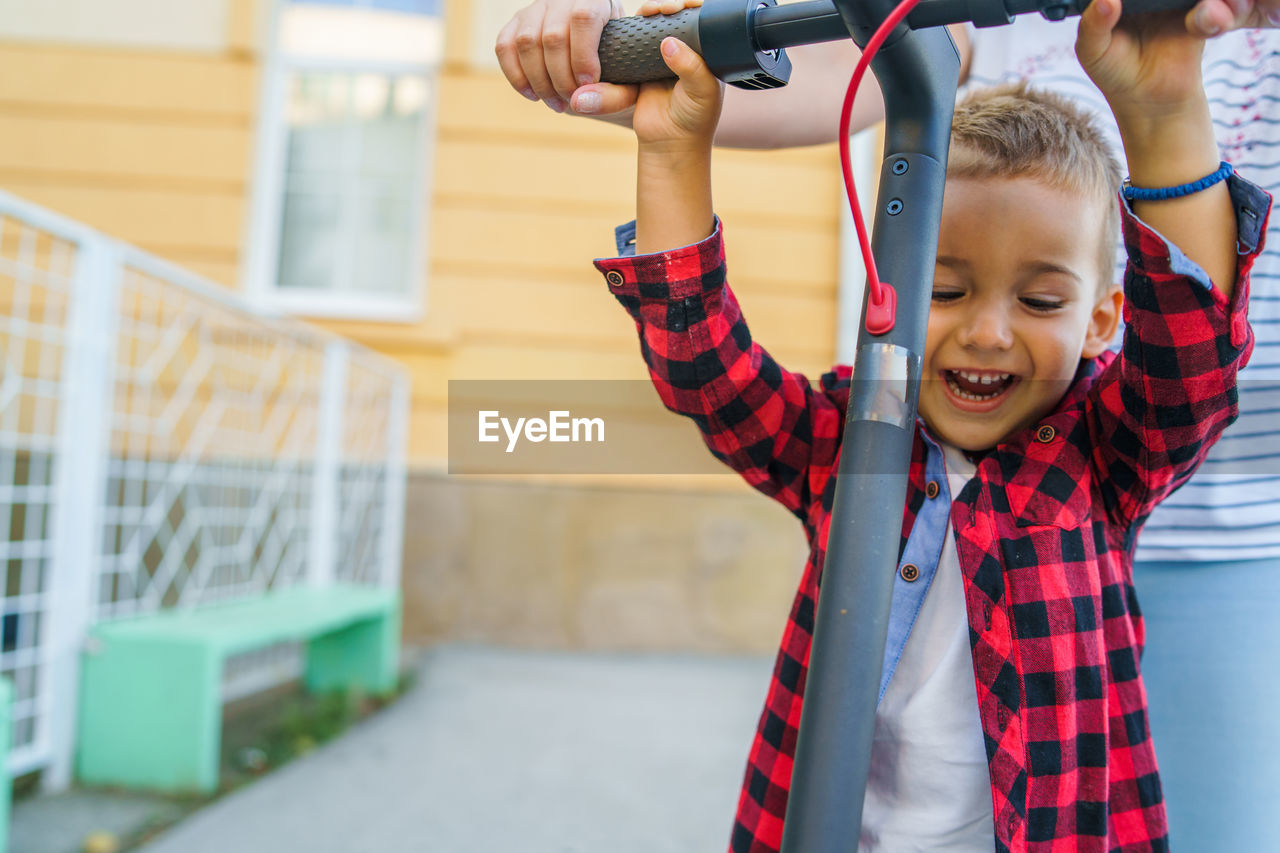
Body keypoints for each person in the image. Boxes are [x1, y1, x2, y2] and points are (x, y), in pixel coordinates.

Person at [498, 2, 1280, 849]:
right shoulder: (848, 442)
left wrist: (1162, 113)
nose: (987, 332)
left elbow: (1192, 363)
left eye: (1041, 300)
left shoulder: (1102, 461)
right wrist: (673, 150)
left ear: (1100, 322)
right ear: (888, 284)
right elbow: (707, 375)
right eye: (945, 291)